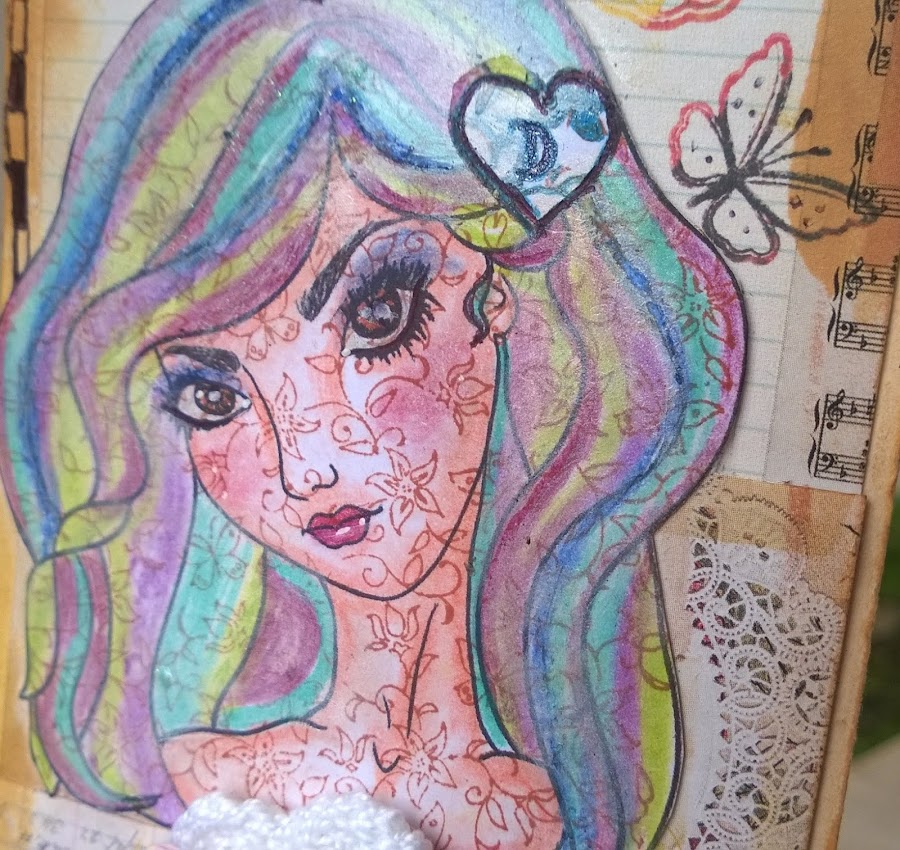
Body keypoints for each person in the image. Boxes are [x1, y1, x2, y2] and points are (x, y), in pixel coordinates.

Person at [0, 1, 745, 847]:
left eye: (379, 316)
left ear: (498, 291)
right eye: (212, 398)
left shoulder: (577, 807)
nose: (305, 466)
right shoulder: (197, 779)